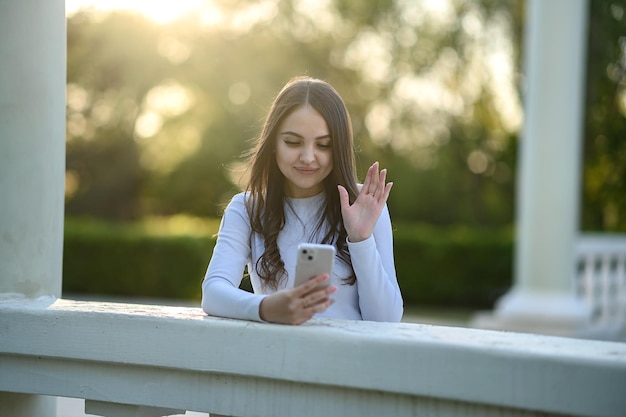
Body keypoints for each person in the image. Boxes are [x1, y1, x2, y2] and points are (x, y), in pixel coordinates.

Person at [201, 76, 403, 325]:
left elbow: (387, 319)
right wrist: (265, 307)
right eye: (292, 142)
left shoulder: (364, 205)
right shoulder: (246, 209)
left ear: (338, 148)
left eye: (324, 145)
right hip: (278, 359)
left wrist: (360, 239)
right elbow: (213, 293)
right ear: (273, 143)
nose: (308, 157)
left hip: (351, 361)